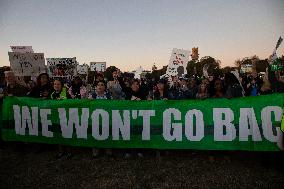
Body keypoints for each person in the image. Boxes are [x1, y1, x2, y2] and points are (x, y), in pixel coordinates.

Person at [89, 81, 113, 158]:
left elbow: (113, 105)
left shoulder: (108, 95)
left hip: (106, 118)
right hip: (95, 118)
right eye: (98, 85)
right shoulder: (92, 95)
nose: (100, 86)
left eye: (102, 85)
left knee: (107, 133)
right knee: (95, 133)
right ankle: (96, 149)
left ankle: (108, 149)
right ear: (96, 87)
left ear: (105, 87)